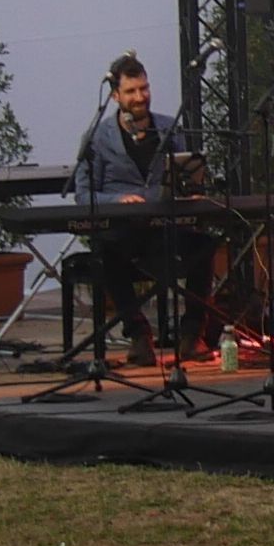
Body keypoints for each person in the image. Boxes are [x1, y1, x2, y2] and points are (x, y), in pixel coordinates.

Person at [71, 53, 199, 358]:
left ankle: (193, 334)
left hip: (162, 229)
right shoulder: (98, 137)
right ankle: (139, 334)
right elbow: (83, 194)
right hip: (122, 232)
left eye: (144, 89)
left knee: (203, 247)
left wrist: (189, 192)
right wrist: (117, 201)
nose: (140, 97)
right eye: (131, 91)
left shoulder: (170, 130)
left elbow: (187, 178)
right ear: (115, 96)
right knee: (107, 254)